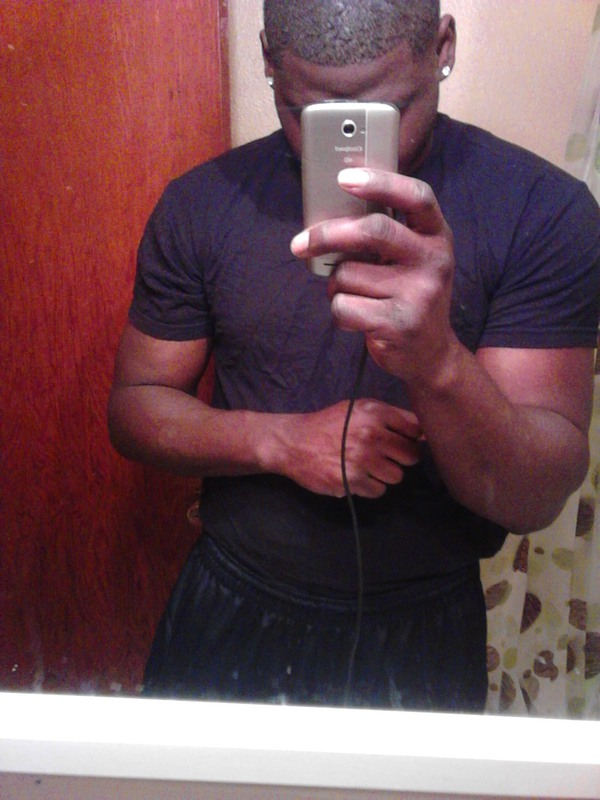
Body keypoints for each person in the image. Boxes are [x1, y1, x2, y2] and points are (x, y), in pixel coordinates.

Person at [108, 0, 600, 712]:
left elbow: (532, 498)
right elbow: (134, 407)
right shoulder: (200, 204)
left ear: (442, 47)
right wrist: (281, 442)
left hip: (425, 623)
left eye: (386, 112)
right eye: (307, 113)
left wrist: (437, 359)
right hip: (231, 597)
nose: (351, 146)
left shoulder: (543, 212)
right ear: (269, 61)